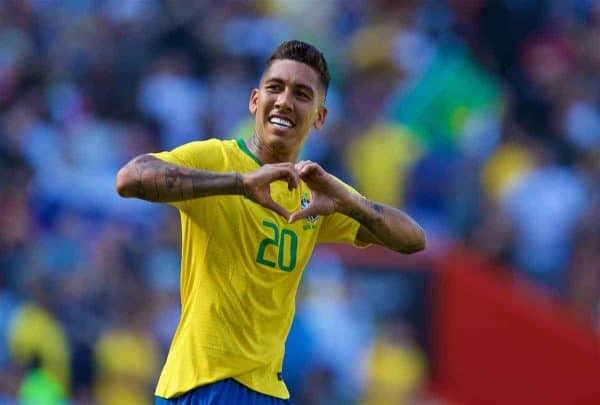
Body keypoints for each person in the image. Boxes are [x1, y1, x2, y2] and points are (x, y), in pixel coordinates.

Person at [115, 40, 426, 404]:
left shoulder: (315, 190)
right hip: (202, 385)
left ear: (320, 117)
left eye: (301, 94)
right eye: (275, 87)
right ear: (254, 101)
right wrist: (238, 184)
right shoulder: (219, 160)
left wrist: (349, 202)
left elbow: (413, 240)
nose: (284, 101)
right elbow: (130, 178)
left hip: (268, 392)